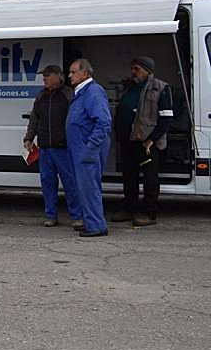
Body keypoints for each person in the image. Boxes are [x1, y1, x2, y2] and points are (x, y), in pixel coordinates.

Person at [110, 55, 173, 227]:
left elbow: (166, 118)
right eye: (132, 68)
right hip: (128, 140)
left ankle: (149, 213)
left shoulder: (160, 88)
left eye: (137, 69)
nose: (133, 72)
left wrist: (152, 139)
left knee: (150, 180)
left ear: (148, 70)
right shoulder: (130, 88)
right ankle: (129, 209)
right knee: (129, 177)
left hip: (147, 143)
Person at [24, 64, 83, 228]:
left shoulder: (69, 95)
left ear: (59, 76)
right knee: (47, 182)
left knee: (70, 182)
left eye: (48, 75)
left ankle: (76, 216)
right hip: (45, 148)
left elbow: (76, 120)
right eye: (44, 76)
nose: (44, 79)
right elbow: (34, 119)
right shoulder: (41, 96)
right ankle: (50, 215)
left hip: (63, 147)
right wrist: (29, 137)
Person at [65, 58, 111, 238]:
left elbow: (103, 122)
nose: (70, 75)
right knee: (83, 188)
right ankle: (90, 222)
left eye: (73, 72)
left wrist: (90, 146)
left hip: (87, 150)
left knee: (89, 188)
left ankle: (96, 225)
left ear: (85, 73)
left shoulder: (93, 92)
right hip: (80, 149)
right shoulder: (82, 93)